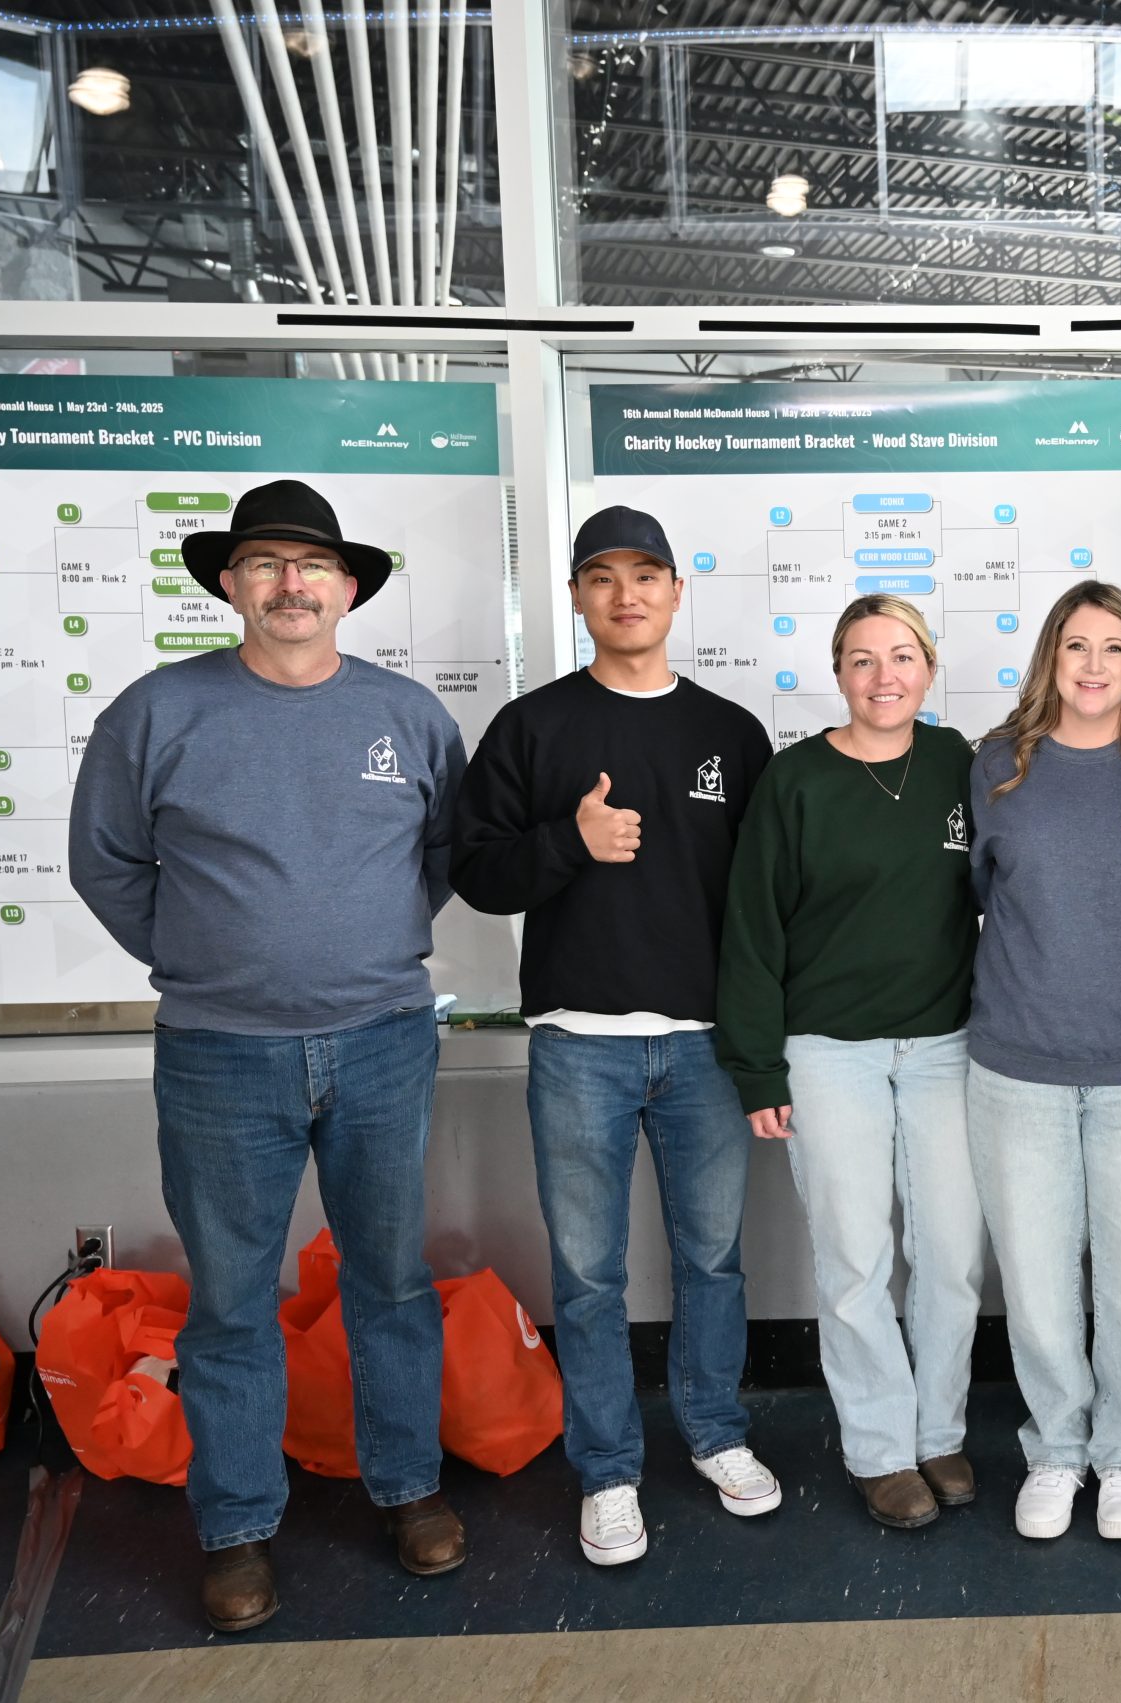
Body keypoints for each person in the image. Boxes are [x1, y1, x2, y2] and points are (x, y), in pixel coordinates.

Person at [68, 479, 467, 1632]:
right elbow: (107, 864)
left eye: (311, 566)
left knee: (389, 1278)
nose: (290, 584)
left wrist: (360, 948)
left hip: (384, 1041)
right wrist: (206, 957)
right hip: (218, 1054)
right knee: (233, 1302)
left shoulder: (407, 716)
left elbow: (436, 857)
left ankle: (408, 1488)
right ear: (230, 584)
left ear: (347, 590)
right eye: (266, 563)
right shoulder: (157, 711)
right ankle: (237, 1525)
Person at [450, 506, 784, 1567]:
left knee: (713, 1260)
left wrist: (761, 1041)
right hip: (577, 1045)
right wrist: (570, 841)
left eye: (646, 574)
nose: (626, 594)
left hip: (703, 1047)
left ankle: (717, 1432)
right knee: (589, 1276)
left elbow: (766, 904)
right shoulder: (533, 727)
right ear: (577, 596)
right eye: (602, 576)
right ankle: (607, 1468)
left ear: (678, 592)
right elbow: (475, 868)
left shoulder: (730, 734)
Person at [716, 594, 983, 1530]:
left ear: (930, 666)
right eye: (863, 660)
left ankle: (941, 1429)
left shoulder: (960, 763)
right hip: (828, 1053)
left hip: (947, 1047)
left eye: (902, 656)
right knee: (856, 1259)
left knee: (951, 1253)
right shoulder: (795, 782)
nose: (884, 677)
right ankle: (878, 1447)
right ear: (837, 673)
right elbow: (751, 931)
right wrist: (757, 1069)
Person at [965, 581, 1121, 1543]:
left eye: (1114, 647)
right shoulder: (997, 766)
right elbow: (976, 893)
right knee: (1036, 1273)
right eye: (1076, 647)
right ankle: (1058, 1449)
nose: (1095, 665)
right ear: (1050, 660)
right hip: (1017, 1064)